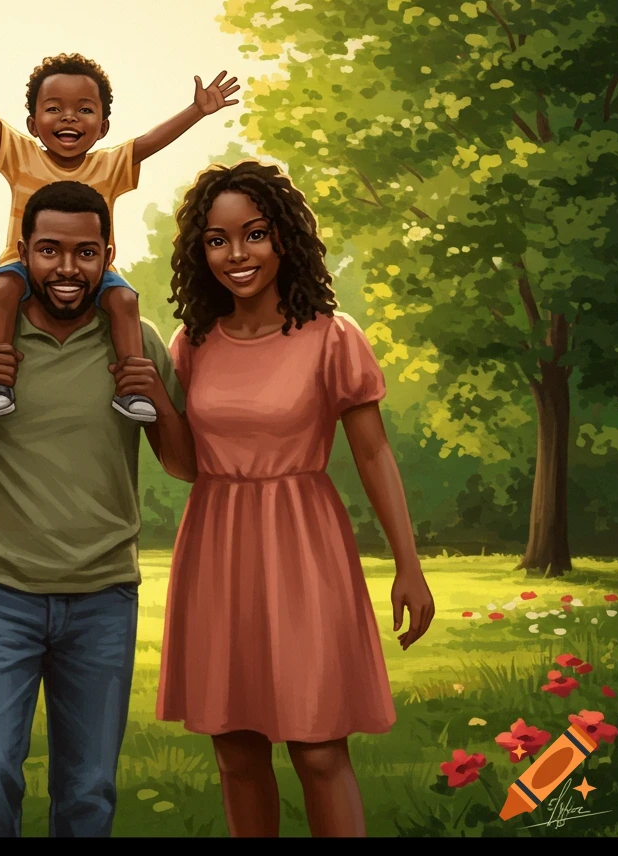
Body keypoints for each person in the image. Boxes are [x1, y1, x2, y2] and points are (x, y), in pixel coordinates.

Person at [0, 180, 192, 837]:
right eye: (50, 250)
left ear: (108, 254)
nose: (66, 269)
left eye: (85, 253)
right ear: (23, 251)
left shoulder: (135, 336)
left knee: (88, 788)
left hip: (103, 593)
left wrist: (159, 397)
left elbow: (186, 463)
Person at [154, 160, 436, 837]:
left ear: (285, 238)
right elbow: (184, 466)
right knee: (236, 748)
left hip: (305, 548)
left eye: (254, 234)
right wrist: (149, 403)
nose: (236, 255)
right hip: (216, 550)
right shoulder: (191, 344)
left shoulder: (332, 336)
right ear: (201, 252)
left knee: (317, 746)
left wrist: (409, 564)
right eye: (217, 240)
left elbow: (373, 454)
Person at [0, 38, 237, 423]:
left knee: (125, 302)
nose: (69, 118)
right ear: (33, 125)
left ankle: (132, 389)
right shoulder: (21, 156)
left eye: (83, 110)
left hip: (92, 271)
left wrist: (197, 111)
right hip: (23, 266)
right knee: (3, 288)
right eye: (54, 109)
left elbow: (151, 142)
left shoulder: (110, 165)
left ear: (102, 127)